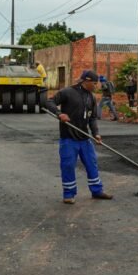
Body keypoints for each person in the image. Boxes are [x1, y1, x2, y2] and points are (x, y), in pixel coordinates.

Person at [44, 70, 113, 204]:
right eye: (94, 83)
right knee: (68, 165)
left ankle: (97, 190)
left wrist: (96, 133)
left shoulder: (91, 97)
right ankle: (69, 194)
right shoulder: (67, 92)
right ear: (86, 81)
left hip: (85, 138)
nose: (96, 86)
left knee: (91, 164)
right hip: (68, 138)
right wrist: (59, 114)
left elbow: (92, 118)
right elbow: (49, 102)